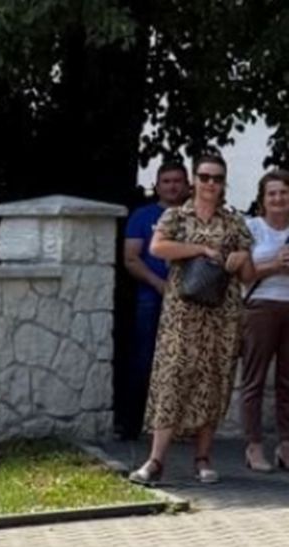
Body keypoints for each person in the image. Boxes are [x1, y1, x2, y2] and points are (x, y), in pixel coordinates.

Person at [129, 155, 254, 485]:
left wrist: (243, 259)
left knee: (213, 382)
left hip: (221, 315)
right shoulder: (176, 216)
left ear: (224, 183)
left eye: (217, 178)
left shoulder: (234, 222)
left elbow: (248, 276)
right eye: (204, 176)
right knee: (172, 379)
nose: (210, 183)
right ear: (194, 180)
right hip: (182, 314)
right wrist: (199, 250)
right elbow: (157, 248)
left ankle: (203, 457)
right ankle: (156, 460)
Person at [121, 161, 190, 439]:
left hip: (190, 298)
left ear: (187, 185)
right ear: (157, 185)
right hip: (151, 297)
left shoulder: (195, 216)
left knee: (184, 362)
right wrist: (159, 284)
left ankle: (181, 427)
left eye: (177, 181)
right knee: (144, 359)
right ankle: (133, 425)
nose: (172, 186)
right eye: (166, 181)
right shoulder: (142, 215)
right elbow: (131, 258)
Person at [239, 169, 289, 471]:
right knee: (254, 380)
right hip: (260, 306)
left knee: (288, 382)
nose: (279, 198)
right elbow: (244, 275)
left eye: (284, 192)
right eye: (272, 193)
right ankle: (254, 446)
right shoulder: (252, 228)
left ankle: (286, 445)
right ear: (263, 199)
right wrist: (275, 264)